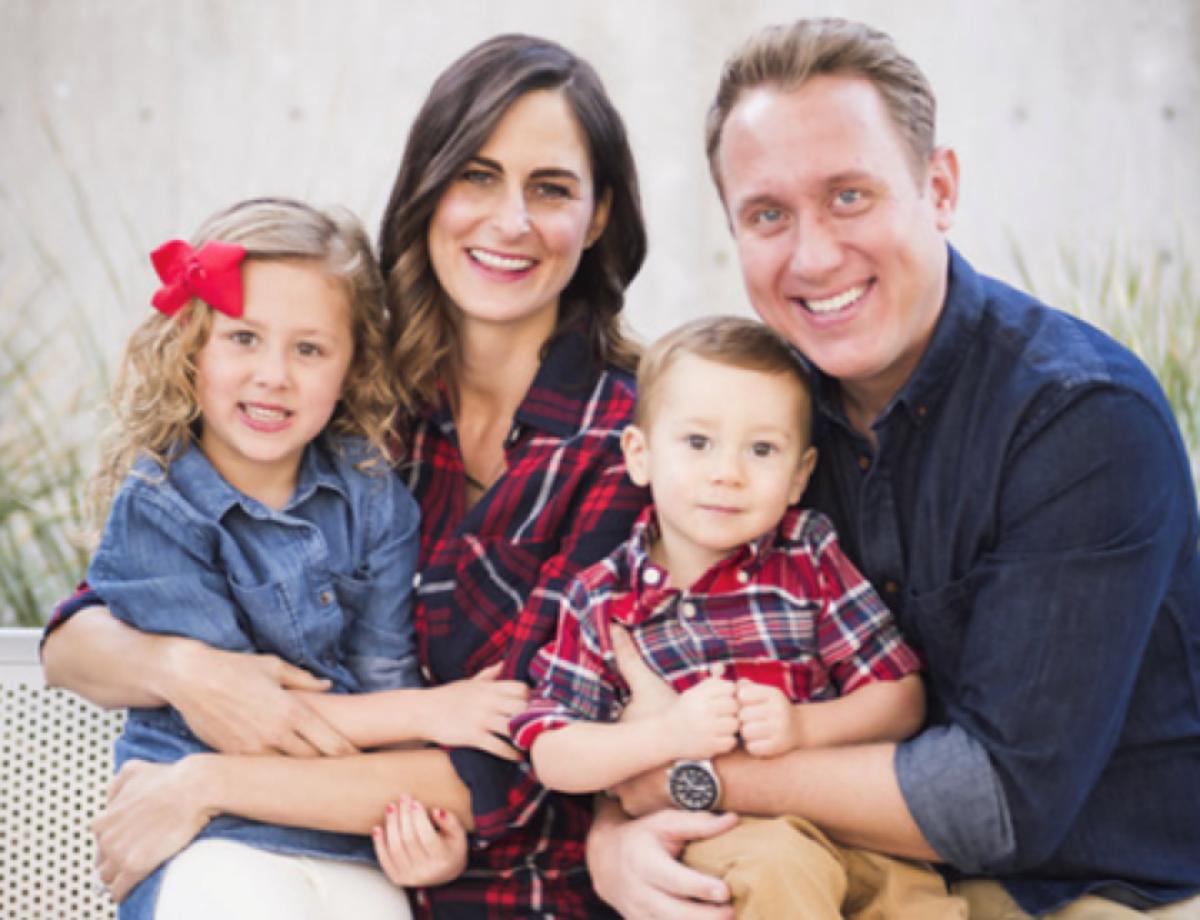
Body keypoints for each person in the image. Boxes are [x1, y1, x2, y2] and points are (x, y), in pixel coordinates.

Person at [586, 17, 1200, 920]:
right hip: (848, 863)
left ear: (938, 187)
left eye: (849, 196)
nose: (814, 255)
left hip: (1094, 887)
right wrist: (615, 836)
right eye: (767, 215)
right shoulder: (760, 424)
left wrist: (690, 780)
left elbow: (998, 801)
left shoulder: (1078, 419)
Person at [42, 34, 650, 919]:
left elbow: (502, 766)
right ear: (428, 191)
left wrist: (208, 781)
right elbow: (76, 634)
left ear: (596, 218)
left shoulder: (628, 445)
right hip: (305, 867)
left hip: (513, 894)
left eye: (550, 188)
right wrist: (183, 669)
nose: (510, 220)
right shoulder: (351, 409)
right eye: (476, 176)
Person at [82, 196, 496, 919]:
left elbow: (381, 679)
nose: (274, 374)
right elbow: (253, 722)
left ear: (351, 366)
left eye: (308, 349)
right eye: (243, 338)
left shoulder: (374, 499)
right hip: (202, 834)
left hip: (342, 835)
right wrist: (443, 710)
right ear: (191, 347)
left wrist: (428, 830)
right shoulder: (160, 506)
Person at [512, 315, 968, 918]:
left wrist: (806, 728)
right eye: (698, 443)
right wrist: (664, 737)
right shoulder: (603, 598)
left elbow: (900, 699)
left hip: (849, 823)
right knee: (776, 873)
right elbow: (553, 751)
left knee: (920, 903)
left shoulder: (808, 554)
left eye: (761, 449)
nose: (728, 472)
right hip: (725, 839)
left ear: (800, 475)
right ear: (640, 455)